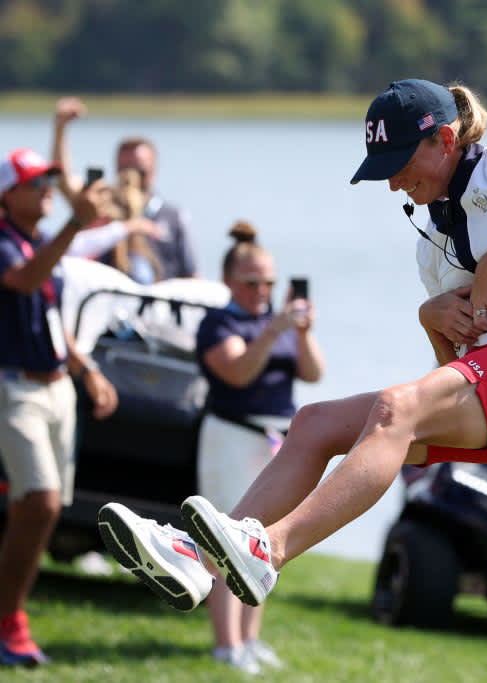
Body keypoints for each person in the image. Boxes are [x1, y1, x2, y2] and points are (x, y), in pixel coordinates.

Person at [97, 79, 487, 676]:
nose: (394, 183)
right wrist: (431, 319)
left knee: (396, 408)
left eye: (399, 163)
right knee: (315, 422)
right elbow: (458, 375)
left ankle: (272, 549)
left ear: (446, 139)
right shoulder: (433, 244)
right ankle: (198, 560)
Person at [0, 148, 118, 667]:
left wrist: (85, 368)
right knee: (43, 503)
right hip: (15, 388)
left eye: (51, 180)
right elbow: (24, 279)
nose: (48, 189)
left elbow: (48, 312)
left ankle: (9, 615)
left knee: (37, 508)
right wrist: (76, 223)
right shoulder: (5, 243)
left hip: (54, 389)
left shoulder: (37, 240)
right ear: (7, 195)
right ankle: (10, 622)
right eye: (35, 183)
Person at [193, 221, 325, 673]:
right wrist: (273, 330)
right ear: (229, 280)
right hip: (232, 434)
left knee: (262, 544)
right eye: (251, 282)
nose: (261, 290)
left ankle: (249, 639)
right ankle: (225, 643)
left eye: (268, 282)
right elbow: (238, 372)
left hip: (275, 440)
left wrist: (301, 331)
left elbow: (312, 374)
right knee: (224, 541)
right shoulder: (219, 322)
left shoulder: (280, 322)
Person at [52, 97, 199, 280]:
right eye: (124, 170)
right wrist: (60, 128)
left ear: (154, 171)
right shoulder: (101, 203)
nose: (131, 177)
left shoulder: (174, 216)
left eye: (139, 171)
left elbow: (192, 275)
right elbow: (63, 180)